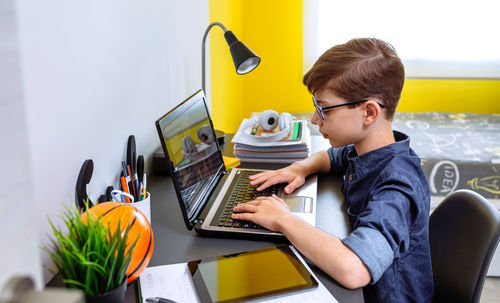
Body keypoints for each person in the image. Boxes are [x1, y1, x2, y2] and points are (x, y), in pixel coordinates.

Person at [231, 38, 434, 302]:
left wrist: (284, 219)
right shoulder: (369, 149)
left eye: (323, 108)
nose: (315, 119)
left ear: (369, 112)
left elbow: (354, 269)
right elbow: (334, 158)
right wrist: (299, 167)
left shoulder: (397, 186)